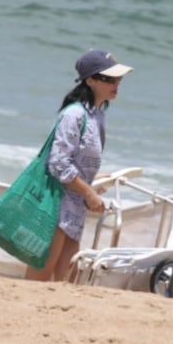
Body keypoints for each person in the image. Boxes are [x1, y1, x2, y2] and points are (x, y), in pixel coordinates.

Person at [25, 49, 132, 281]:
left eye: (119, 79)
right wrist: (89, 192)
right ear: (90, 80)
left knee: (69, 282)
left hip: (73, 210)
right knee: (38, 281)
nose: (116, 84)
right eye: (109, 79)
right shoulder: (74, 114)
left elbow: (72, 162)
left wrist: (94, 181)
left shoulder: (96, 116)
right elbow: (58, 164)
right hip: (54, 208)